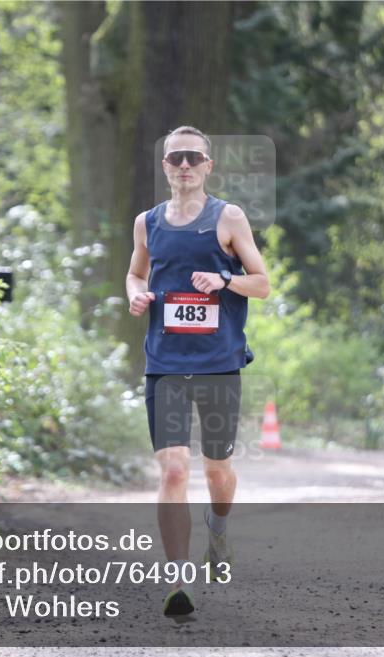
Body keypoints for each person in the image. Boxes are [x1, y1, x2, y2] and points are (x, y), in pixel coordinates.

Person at [126, 126, 270, 616]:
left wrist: (226, 279)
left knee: (217, 472)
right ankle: (176, 578)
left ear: (208, 165)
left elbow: (263, 283)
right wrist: (135, 294)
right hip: (165, 364)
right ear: (165, 166)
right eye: (175, 158)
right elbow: (135, 272)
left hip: (218, 364)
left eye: (193, 157)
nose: (184, 165)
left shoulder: (227, 217)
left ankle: (220, 530)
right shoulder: (147, 223)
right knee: (173, 469)